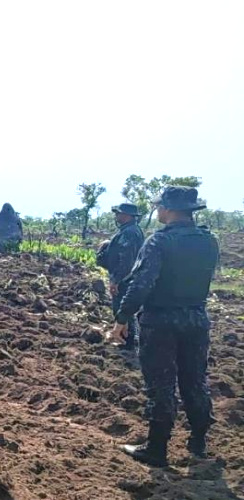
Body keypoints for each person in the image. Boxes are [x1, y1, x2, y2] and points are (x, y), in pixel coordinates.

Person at [111, 186, 219, 467]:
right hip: (196, 318)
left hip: (160, 321)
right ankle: (198, 440)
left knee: (161, 384)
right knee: (194, 380)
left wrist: (122, 318)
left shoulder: (159, 241)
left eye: (160, 206)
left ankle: (156, 448)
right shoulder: (209, 241)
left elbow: (142, 284)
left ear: (169, 209)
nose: (157, 210)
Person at [96, 203, 145, 350]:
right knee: (124, 309)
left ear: (127, 215)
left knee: (123, 310)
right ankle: (127, 340)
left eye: (119, 213)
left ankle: (127, 342)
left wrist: (116, 280)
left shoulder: (130, 232)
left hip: (125, 279)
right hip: (126, 277)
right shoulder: (130, 230)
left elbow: (127, 259)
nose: (116, 216)